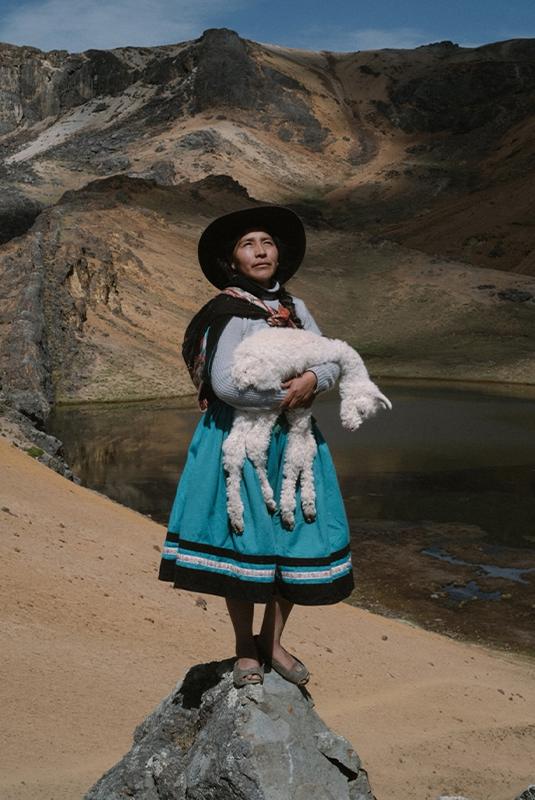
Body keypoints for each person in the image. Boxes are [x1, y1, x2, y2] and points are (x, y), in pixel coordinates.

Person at [159, 205, 353, 688]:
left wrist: (312, 377)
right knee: (244, 542)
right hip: (239, 442)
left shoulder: (296, 309)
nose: (260, 250)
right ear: (233, 261)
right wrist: (287, 395)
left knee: (293, 534)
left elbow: (330, 358)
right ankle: (245, 646)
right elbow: (224, 384)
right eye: (248, 244)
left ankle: (273, 638)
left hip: (292, 439)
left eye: (266, 242)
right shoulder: (229, 313)